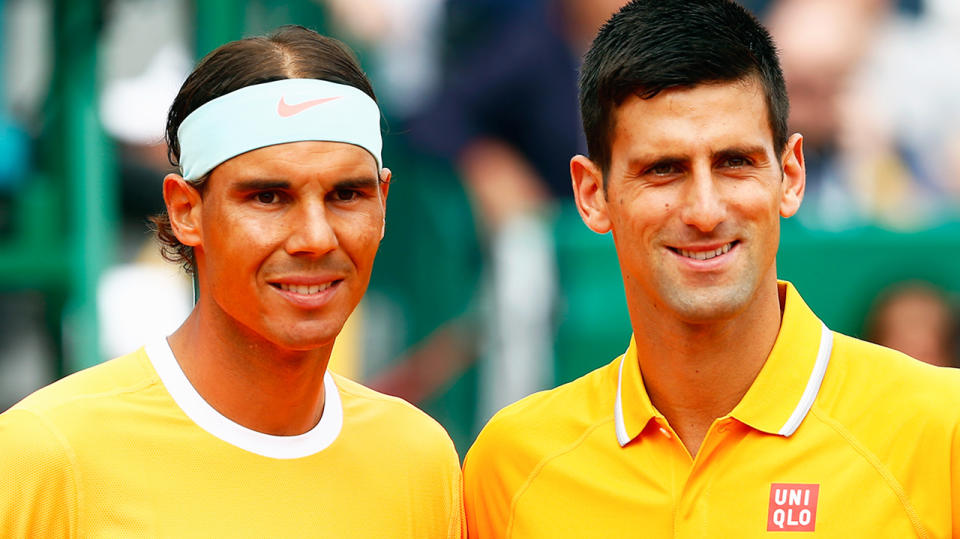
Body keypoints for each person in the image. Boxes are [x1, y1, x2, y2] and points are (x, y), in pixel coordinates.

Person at [462, 1, 960, 537]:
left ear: (790, 174)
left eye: (734, 162)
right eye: (663, 169)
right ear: (592, 194)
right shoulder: (509, 466)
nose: (704, 211)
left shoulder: (942, 430)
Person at [0, 26, 463, 537]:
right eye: (268, 197)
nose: (315, 238)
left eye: (346, 194)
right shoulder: (44, 455)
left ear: (382, 202)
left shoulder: (421, 459)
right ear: (185, 211)